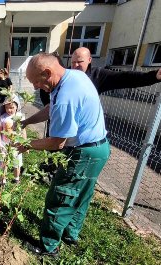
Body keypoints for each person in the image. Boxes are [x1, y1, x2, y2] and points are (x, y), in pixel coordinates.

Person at [19, 53, 110, 257]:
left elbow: (56, 143)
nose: (34, 87)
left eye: (36, 81)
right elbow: (51, 108)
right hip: (98, 150)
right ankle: (70, 234)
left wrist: (26, 144)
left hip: (83, 153)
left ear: (48, 72)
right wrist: (27, 122)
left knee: (60, 197)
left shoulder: (66, 97)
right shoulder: (72, 77)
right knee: (82, 195)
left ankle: (49, 247)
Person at [37, 47, 161, 111]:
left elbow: (125, 78)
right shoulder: (66, 74)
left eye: (80, 62)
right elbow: (45, 87)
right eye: (73, 62)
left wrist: (153, 76)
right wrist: (48, 106)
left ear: (89, 60)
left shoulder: (98, 75)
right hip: (59, 125)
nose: (75, 65)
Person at [0, 95, 26, 184]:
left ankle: (16, 178)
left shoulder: (20, 116)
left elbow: (23, 130)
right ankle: (3, 178)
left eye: (12, 107)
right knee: (4, 162)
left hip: (17, 145)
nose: (9, 110)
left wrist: (25, 143)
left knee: (17, 163)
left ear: (17, 106)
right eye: (7, 108)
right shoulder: (3, 117)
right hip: (5, 144)